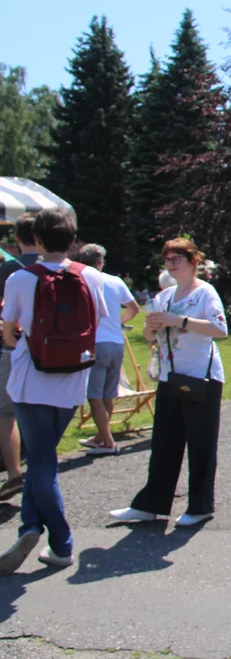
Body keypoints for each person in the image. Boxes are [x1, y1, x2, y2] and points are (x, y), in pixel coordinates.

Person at [0, 210, 108, 574]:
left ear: (38, 240)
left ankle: (60, 541)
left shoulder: (21, 278)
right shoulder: (90, 275)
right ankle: (30, 526)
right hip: (72, 381)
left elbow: (10, 330)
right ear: (73, 239)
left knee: (42, 465)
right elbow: (102, 318)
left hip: (31, 382)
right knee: (42, 462)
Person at [110, 238, 228, 528]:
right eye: (168, 259)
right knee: (164, 443)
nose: (172, 264)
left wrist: (180, 320)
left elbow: (220, 329)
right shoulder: (164, 296)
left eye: (177, 258)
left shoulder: (205, 293)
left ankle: (200, 506)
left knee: (201, 445)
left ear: (193, 261)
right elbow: (150, 338)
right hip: (169, 377)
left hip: (202, 376)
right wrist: (151, 329)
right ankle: (150, 505)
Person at [75, 244, 140, 456]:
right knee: (108, 394)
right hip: (116, 342)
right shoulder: (116, 281)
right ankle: (102, 436)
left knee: (94, 395)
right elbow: (134, 308)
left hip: (95, 343)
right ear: (101, 262)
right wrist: (120, 322)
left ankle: (107, 440)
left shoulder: (82, 282)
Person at [0, 213, 39, 501]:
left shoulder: (8, 271)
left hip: (14, 345)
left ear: (16, 239)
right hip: (55, 350)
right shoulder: (62, 269)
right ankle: (41, 470)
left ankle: (14, 472)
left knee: (6, 412)